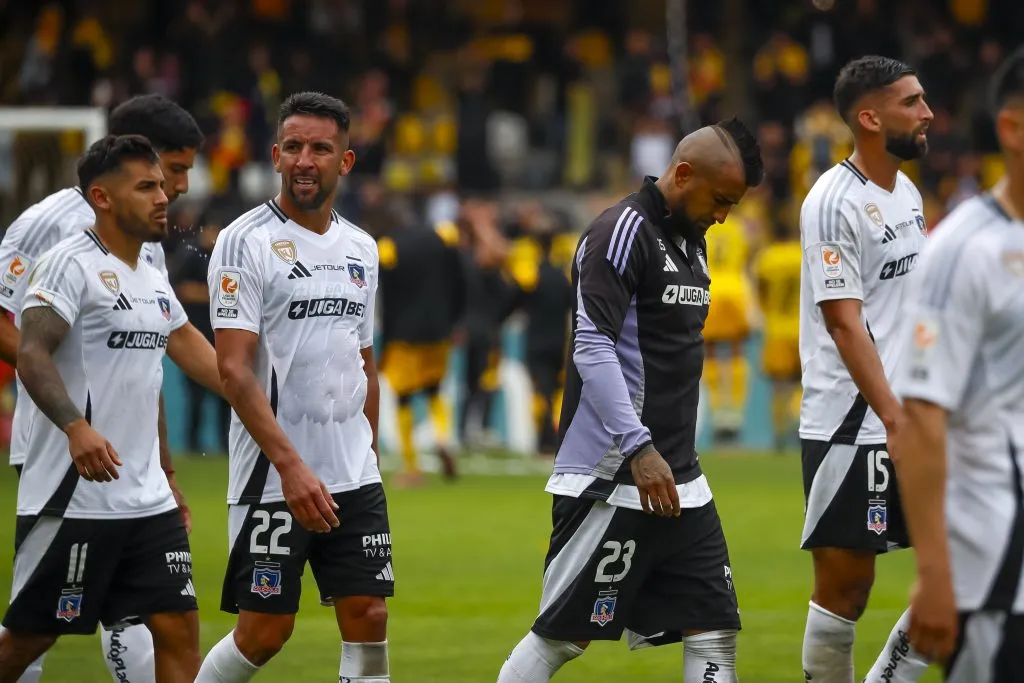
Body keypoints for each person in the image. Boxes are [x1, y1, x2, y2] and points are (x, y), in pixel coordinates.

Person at [496, 118, 764, 683]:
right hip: (613, 473)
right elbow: (591, 345)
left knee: (713, 628)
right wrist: (638, 447)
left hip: (680, 479)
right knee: (562, 638)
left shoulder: (693, 241)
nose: (723, 216)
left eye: (732, 205)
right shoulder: (620, 231)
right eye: (720, 200)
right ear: (683, 174)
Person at [0, 94, 221, 683]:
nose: (173, 191)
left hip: (140, 481)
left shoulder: (147, 249)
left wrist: (253, 397)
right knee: (34, 634)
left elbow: (159, 352)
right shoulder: (55, 236)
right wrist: (76, 417)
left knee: (171, 624)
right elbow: (19, 335)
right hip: (70, 466)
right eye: (165, 175)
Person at [196, 92, 392, 683]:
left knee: (369, 616)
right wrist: (291, 468)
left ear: (346, 161)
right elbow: (233, 370)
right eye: (294, 147)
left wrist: (370, 456)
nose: (306, 161)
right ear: (276, 155)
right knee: (265, 632)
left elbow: (364, 360)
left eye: (321, 149)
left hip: (353, 474)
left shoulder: (361, 247)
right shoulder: (243, 241)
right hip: (273, 477)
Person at [797, 56, 933, 683]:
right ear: (870, 118)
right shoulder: (833, 202)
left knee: (974, 559)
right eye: (912, 102)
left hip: (912, 416)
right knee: (845, 592)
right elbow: (845, 323)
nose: (927, 113)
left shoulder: (907, 192)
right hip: (852, 427)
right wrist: (893, 419)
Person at [894, 46, 1024, 682]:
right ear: (1012, 129)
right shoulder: (963, 250)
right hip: (998, 569)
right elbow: (921, 418)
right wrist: (935, 574)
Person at [376, 216, 465, 486]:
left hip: (404, 335)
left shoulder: (389, 248)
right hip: (439, 330)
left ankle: (412, 467)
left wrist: (386, 342)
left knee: (403, 398)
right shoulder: (444, 238)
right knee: (434, 389)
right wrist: (454, 322)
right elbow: (459, 283)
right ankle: (442, 438)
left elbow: (388, 301)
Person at [701, 212, 754, 443]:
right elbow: (747, 262)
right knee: (736, 351)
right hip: (736, 291)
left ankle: (718, 413)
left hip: (711, 289)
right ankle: (735, 412)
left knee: (710, 352)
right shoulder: (739, 227)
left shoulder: (705, 226)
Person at [754, 219, 803, 452]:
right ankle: (799, 419)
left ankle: (780, 433)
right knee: (804, 382)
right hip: (801, 327)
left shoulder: (767, 257)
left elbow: (760, 290)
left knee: (779, 386)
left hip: (776, 329)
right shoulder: (801, 255)